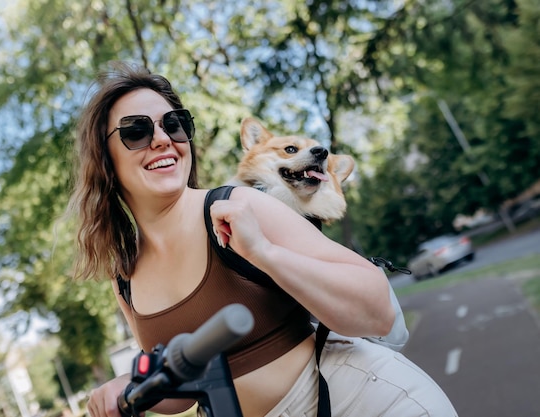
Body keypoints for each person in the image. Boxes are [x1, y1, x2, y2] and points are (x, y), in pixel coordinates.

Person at [68, 61, 458, 417]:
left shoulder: (235, 206)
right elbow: (183, 390)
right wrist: (129, 386)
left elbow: (378, 309)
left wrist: (265, 253)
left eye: (173, 124)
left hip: (364, 402)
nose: (161, 139)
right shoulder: (125, 275)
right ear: (105, 158)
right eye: (136, 131)